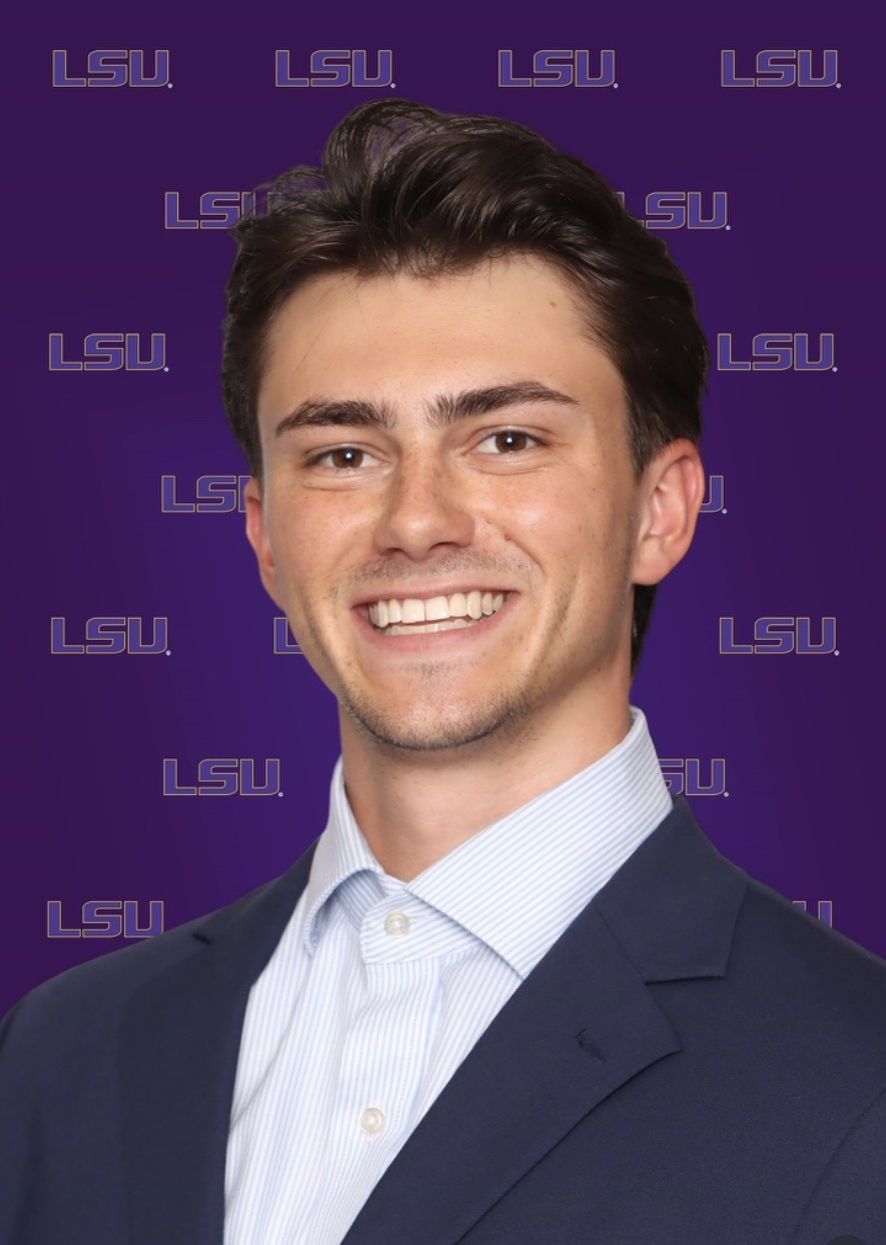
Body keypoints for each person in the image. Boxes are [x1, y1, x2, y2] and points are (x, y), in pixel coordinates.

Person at [1, 99, 885, 1245]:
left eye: (506, 438)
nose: (415, 520)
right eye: (345, 453)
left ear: (658, 511)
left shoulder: (857, 1082)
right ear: (266, 535)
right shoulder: (63, 1054)